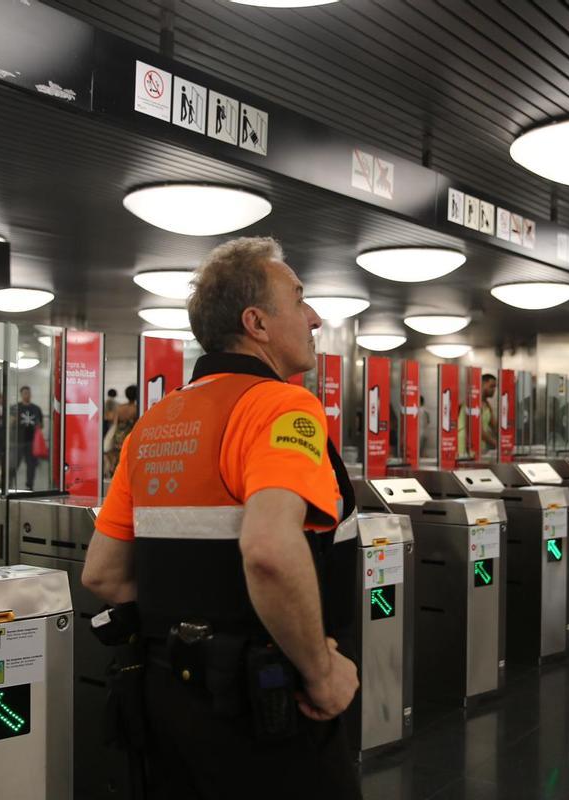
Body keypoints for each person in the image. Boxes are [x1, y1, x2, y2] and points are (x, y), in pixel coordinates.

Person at [82, 237, 361, 799]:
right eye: (299, 299)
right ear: (256, 322)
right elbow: (269, 550)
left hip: (166, 709)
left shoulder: (154, 423)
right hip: (265, 709)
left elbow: (104, 575)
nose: (315, 317)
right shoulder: (280, 406)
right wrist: (322, 675)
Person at [12, 386, 43, 491]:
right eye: (25, 393)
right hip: (19, 440)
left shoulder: (36, 408)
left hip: (31, 441)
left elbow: (40, 424)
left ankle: (29, 485)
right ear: (21, 394)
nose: (27, 395)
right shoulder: (15, 407)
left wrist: (38, 427)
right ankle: (10, 483)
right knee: (14, 463)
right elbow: (11, 423)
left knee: (31, 465)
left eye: (28, 393)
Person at [104, 385, 138, 476]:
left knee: (117, 455)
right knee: (127, 456)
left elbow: (115, 422)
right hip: (129, 435)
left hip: (118, 434)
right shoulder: (136, 408)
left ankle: (114, 470)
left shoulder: (120, 408)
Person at [480, 373, 498, 454]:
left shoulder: (487, 405)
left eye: (495, 387)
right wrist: (496, 443)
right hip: (466, 449)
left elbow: (494, 426)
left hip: (481, 447)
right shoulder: (473, 403)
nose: (494, 389)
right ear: (482, 384)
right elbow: (479, 431)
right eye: (491, 386)